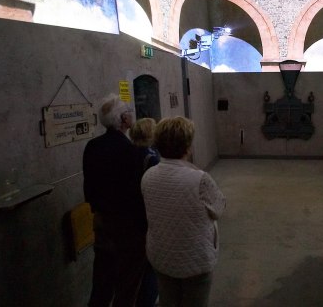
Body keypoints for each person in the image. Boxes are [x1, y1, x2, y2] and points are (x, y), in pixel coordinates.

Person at [141, 117, 226, 307]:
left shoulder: (148, 176)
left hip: (162, 257)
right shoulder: (200, 179)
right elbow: (219, 208)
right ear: (187, 146)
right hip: (195, 261)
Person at [82, 95, 148, 307]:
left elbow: (89, 187)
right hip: (127, 226)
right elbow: (136, 192)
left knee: (101, 280)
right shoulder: (130, 151)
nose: (131, 114)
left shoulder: (92, 146)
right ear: (123, 120)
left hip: (101, 220)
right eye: (128, 111)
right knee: (127, 285)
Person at [130, 117, 161, 307]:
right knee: (150, 264)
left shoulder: (127, 153)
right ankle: (147, 301)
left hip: (128, 216)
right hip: (146, 217)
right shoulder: (151, 157)